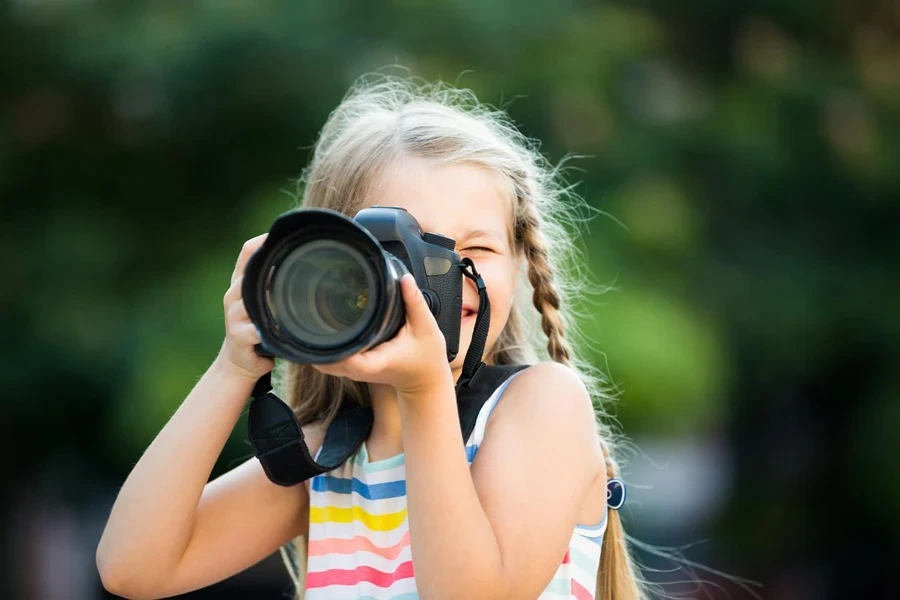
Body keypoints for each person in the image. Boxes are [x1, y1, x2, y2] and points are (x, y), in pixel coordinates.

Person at [96, 74, 646, 600]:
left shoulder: (541, 405)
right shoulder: (325, 459)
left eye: (475, 251)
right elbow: (132, 567)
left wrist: (424, 388)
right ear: (330, 264)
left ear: (520, 264)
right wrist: (235, 367)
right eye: (405, 248)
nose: (443, 275)